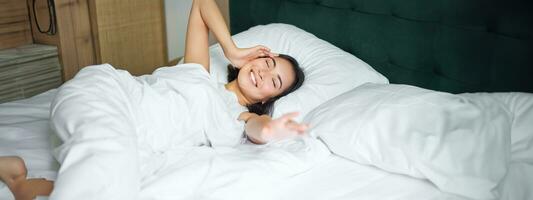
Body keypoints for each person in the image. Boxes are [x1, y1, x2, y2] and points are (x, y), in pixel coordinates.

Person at [0, 0, 306, 199]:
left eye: (274, 81)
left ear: (269, 98)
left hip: (132, 143)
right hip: (109, 97)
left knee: (115, 181)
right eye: (266, 63)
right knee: (107, 163)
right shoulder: (198, 70)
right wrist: (231, 49)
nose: (263, 74)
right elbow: (202, 4)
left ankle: (20, 182)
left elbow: (259, 128)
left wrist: (271, 130)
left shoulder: (237, 118)